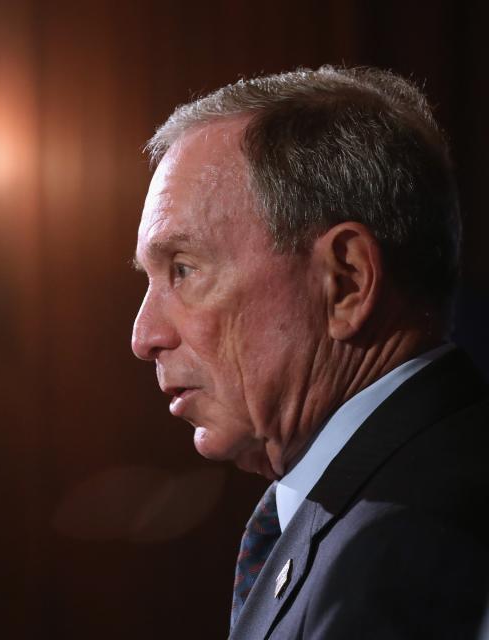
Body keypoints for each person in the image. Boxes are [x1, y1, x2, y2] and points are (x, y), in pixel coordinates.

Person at [131, 66, 489, 639]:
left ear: (345, 281)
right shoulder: (370, 507)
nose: (144, 335)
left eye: (184, 269)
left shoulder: (423, 544)